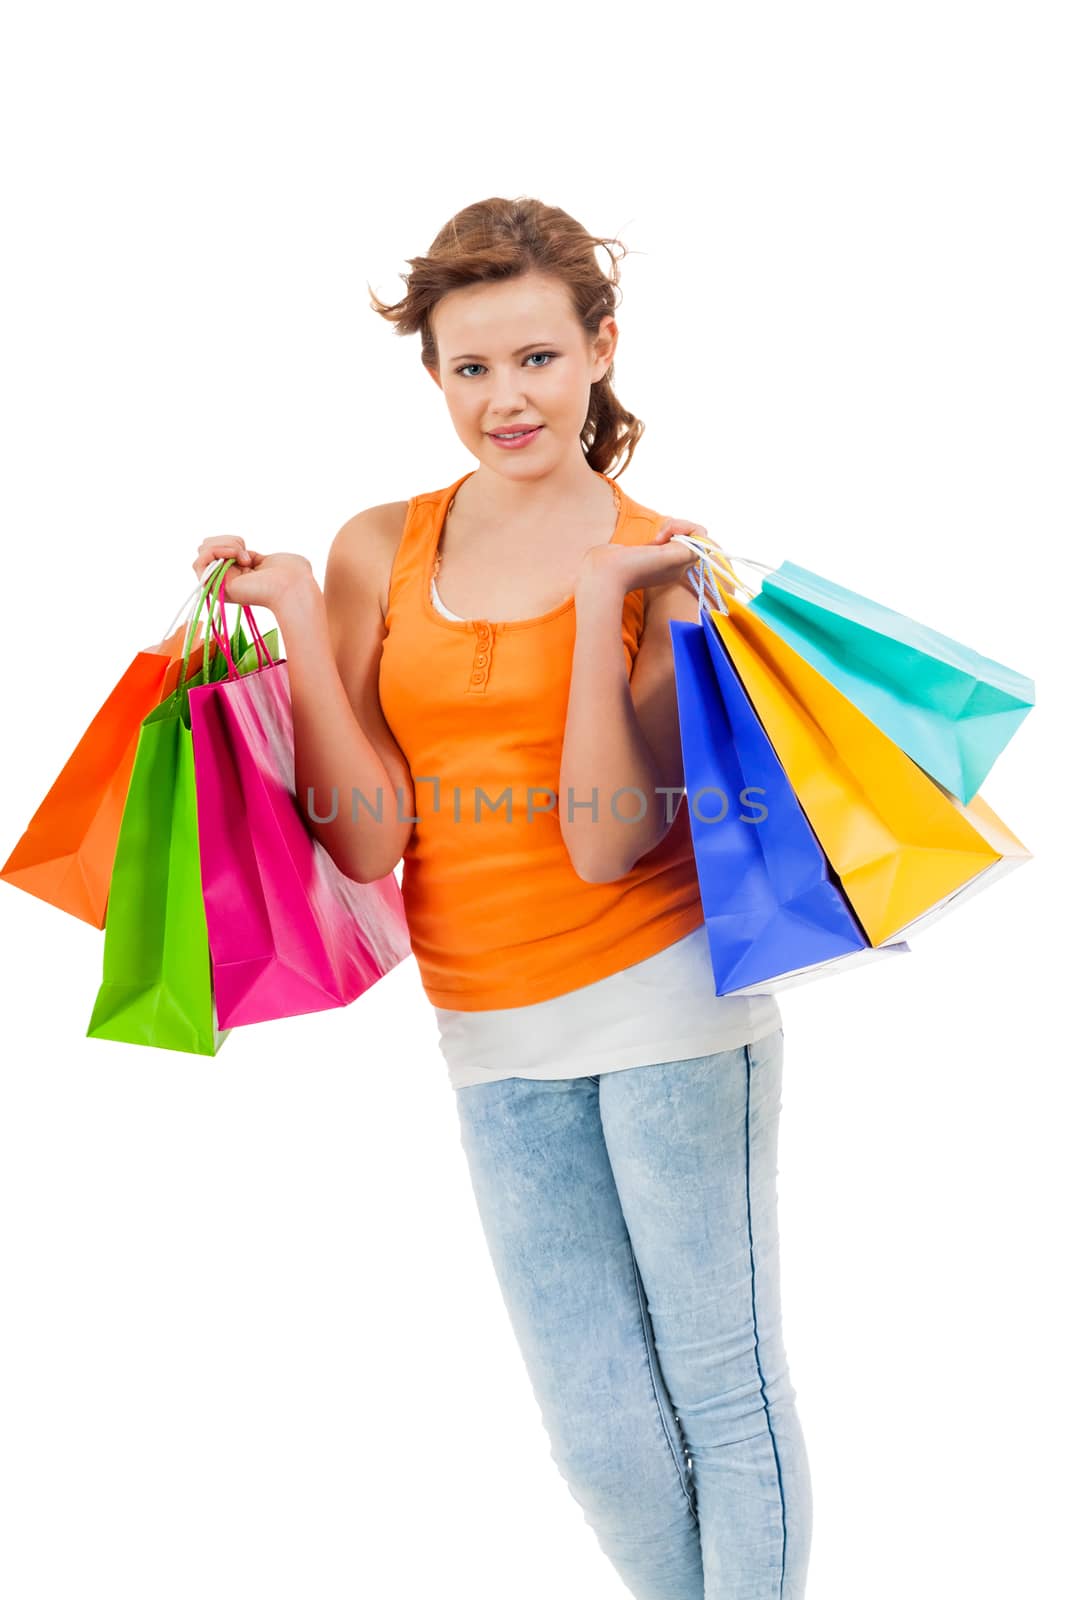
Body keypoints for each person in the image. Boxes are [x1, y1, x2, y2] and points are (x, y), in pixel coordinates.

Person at [191, 196, 813, 1600]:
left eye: (536, 358)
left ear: (601, 348)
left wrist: (605, 611)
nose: (504, 399)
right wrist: (293, 618)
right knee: (599, 1432)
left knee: (721, 1390)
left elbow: (605, 844)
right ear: (433, 377)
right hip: (487, 1034)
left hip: (668, 1021)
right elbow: (368, 844)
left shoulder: (662, 560)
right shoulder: (378, 550)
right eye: (469, 369)